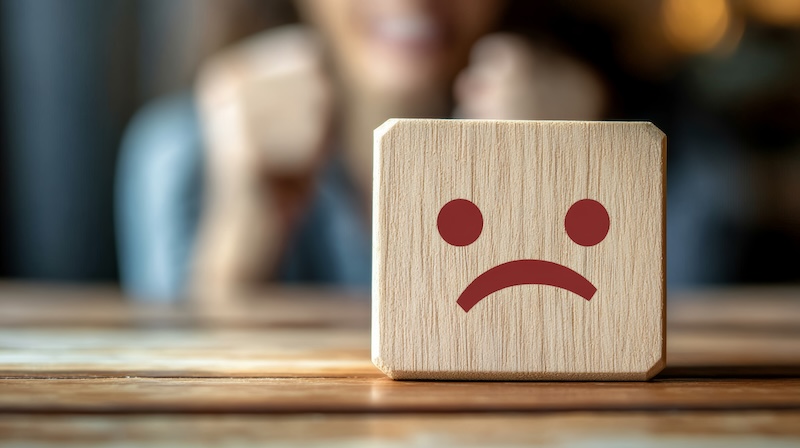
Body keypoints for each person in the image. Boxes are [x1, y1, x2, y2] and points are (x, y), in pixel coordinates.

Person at [117, 0, 606, 302]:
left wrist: (581, 170)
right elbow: (180, 400)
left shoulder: (635, 139)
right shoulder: (180, 154)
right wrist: (242, 232)